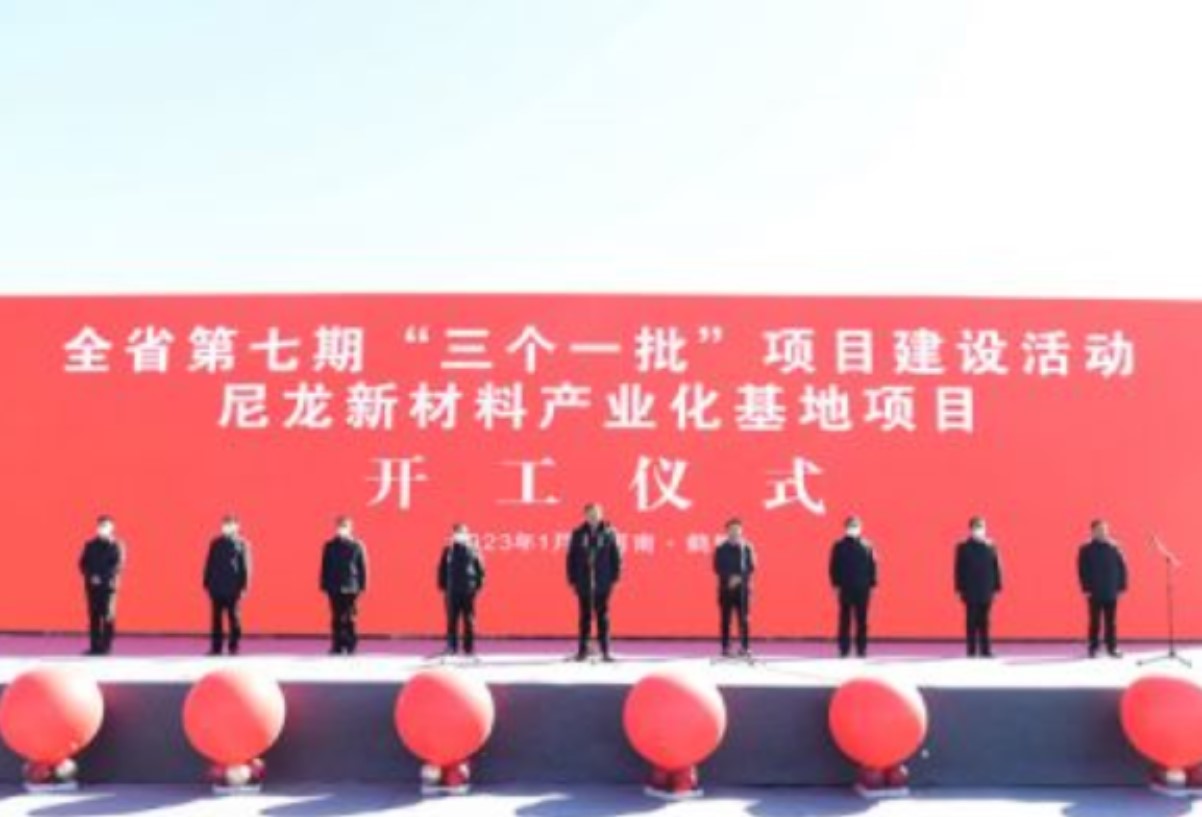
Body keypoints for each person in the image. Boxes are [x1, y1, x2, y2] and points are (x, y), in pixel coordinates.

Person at [566, 503, 622, 661]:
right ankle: (582, 652)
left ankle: (605, 652)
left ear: (601, 514)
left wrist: (615, 578)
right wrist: (572, 579)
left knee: (603, 617)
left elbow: (616, 557)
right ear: (585, 516)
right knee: (584, 617)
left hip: (603, 581)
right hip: (583, 581)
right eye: (590, 514)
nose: (593, 517)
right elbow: (571, 558)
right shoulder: (578, 534)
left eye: (596, 514)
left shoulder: (609, 532)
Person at [829, 515, 878, 658]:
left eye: (856, 526)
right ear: (845, 528)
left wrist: (873, 583)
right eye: (850, 526)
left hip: (863, 588)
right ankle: (844, 649)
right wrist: (835, 584)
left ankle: (861, 649)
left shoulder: (868, 545)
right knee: (844, 619)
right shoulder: (838, 545)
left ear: (861, 528)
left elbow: (873, 565)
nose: (853, 528)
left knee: (862, 620)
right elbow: (833, 566)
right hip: (845, 587)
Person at [1078, 519, 1128, 658]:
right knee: (1094, 621)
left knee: (1111, 622)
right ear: (1093, 531)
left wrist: (1122, 586)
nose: (1103, 532)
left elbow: (1122, 566)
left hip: (1111, 589)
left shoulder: (1115, 546)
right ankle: (1093, 647)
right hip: (1094, 591)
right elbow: (1082, 570)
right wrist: (1085, 588)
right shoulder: (1085, 549)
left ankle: (1112, 647)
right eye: (1099, 529)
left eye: (1105, 529)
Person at [203, 514, 252, 655]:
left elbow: (246, 567)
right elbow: (209, 563)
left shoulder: (242, 544)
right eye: (225, 524)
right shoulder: (215, 543)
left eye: (230, 524)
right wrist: (206, 582)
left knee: (234, 619)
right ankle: (216, 648)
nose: (227, 527)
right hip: (216, 587)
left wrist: (244, 587)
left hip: (233, 588)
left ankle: (233, 646)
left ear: (237, 526)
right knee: (216, 620)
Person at [954, 516, 1003, 658]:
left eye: (981, 527)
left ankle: (985, 650)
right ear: (970, 530)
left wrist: (997, 586)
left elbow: (996, 567)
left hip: (986, 589)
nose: (979, 531)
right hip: (970, 590)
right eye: (976, 528)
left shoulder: (991, 546)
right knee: (971, 621)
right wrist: (959, 588)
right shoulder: (963, 547)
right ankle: (971, 650)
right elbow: (958, 569)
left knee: (985, 621)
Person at [320, 516, 369, 655]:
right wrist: (324, 584)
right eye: (339, 527)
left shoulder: (357, 545)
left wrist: (362, 585)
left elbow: (362, 567)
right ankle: (337, 646)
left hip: (351, 587)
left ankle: (350, 645)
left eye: (344, 527)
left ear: (350, 529)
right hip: (334, 586)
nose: (341, 530)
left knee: (350, 618)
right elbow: (325, 566)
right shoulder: (329, 546)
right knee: (336, 617)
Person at [78, 514, 125, 655]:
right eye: (100, 526)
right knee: (94, 617)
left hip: (109, 588)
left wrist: (102, 579)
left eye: (105, 526)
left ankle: (106, 647)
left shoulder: (117, 545)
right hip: (92, 587)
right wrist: (91, 576)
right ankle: (94, 647)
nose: (102, 528)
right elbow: (82, 564)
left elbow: (117, 566)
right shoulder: (90, 545)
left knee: (108, 616)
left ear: (112, 528)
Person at [438, 522, 486, 656]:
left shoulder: (473, 549)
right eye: (458, 533)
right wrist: (443, 586)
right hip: (452, 590)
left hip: (468, 591)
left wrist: (478, 585)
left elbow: (480, 568)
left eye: (463, 533)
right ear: (453, 535)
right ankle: (451, 647)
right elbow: (442, 569)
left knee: (469, 620)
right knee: (452, 620)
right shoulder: (449, 550)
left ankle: (468, 648)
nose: (461, 535)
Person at [713, 518, 756, 657]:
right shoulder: (721, 549)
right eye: (732, 529)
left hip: (742, 590)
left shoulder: (746, 548)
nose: (735, 532)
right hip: (725, 589)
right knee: (726, 619)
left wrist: (739, 578)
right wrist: (729, 578)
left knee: (744, 620)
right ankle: (725, 647)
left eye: (737, 529)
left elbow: (751, 567)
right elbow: (717, 567)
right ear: (727, 531)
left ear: (741, 531)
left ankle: (745, 647)